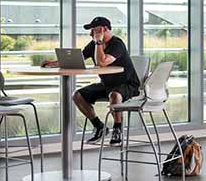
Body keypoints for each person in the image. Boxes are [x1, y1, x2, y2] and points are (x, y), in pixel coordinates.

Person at [44, 17, 140, 146]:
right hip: (107, 85)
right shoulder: (93, 44)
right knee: (77, 95)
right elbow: (78, 58)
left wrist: (98, 41)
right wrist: (53, 63)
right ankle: (99, 127)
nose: (90, 34)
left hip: (128, 84)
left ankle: (117, 129)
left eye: (93, 31)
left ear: (104, 29)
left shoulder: (117, 44)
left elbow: (102, 62)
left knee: (114, 95)